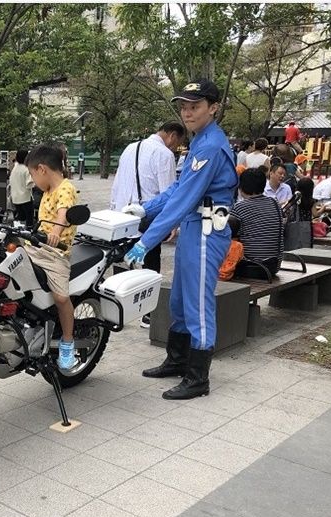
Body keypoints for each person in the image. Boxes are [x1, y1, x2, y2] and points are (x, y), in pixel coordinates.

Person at [124, 79, 237, 400]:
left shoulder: (211, 146)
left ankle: (198, 378)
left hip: (206, 231)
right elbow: (178, 188)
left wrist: (147, 240)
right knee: (180, 300)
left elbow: (184, 198)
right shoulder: (201, 141)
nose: (187, 113)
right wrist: (145, 208)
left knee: (198, 303)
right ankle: (177, 360)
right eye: (184, 107)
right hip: (193, 228)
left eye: (195, 106)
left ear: (213, 108)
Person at [110, 121, 186, 327]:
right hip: (148, 214)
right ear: (172, 135)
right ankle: (148, 314)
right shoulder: (164, 154)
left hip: (124, 212)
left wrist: (114, 208)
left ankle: (118, 309)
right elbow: (169, 191)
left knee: (123, 258)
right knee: (151, 261)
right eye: (177, 142)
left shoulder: (130, 147)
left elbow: (117, 182)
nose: (175, 147)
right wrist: (172, 223)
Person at [24, 144, 80, 370]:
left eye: (32, 174)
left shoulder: (65, 188)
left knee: (61, 298)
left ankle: (67, 342)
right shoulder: (47, 191)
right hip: (36, 248)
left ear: (42, 169)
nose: (32, 180)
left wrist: (56, 232)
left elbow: (63, 213)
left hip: (56, 254)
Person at [231, 168, 284, 278]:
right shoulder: (275, 203)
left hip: (251, 267)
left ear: (241, 187)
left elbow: (229, 236)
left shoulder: (239, 207)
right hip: (274, 266)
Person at [9, 149, 35, 226]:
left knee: (20, 218)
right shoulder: (26, 169)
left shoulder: (15, 168)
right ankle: (29, 230)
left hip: (15, 198)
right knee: (29, 219)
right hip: (25, 198)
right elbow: (29, 184)